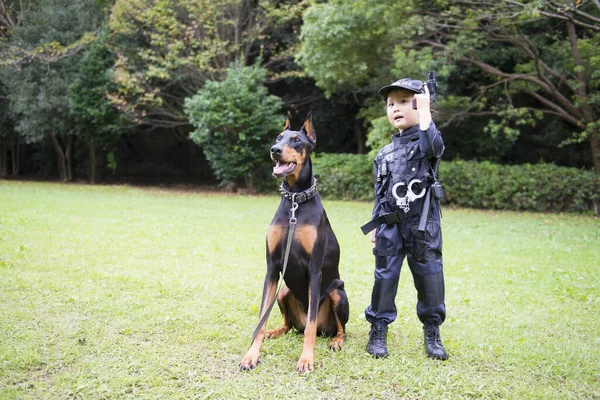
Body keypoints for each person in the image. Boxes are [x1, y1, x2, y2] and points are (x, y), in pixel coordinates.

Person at [363, 77, 447, 360]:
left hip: (423, 225)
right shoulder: (384, 154)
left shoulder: (428, 143)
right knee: (384, 276)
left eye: (403, 101)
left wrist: (425, 111)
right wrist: (375, 222)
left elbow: (433, 145)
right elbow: (381, 192)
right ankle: (378, 329)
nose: (395, 108)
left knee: (430, 277)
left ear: (420, 105)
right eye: (390, 104)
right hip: (390, 224)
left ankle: (432, 331)